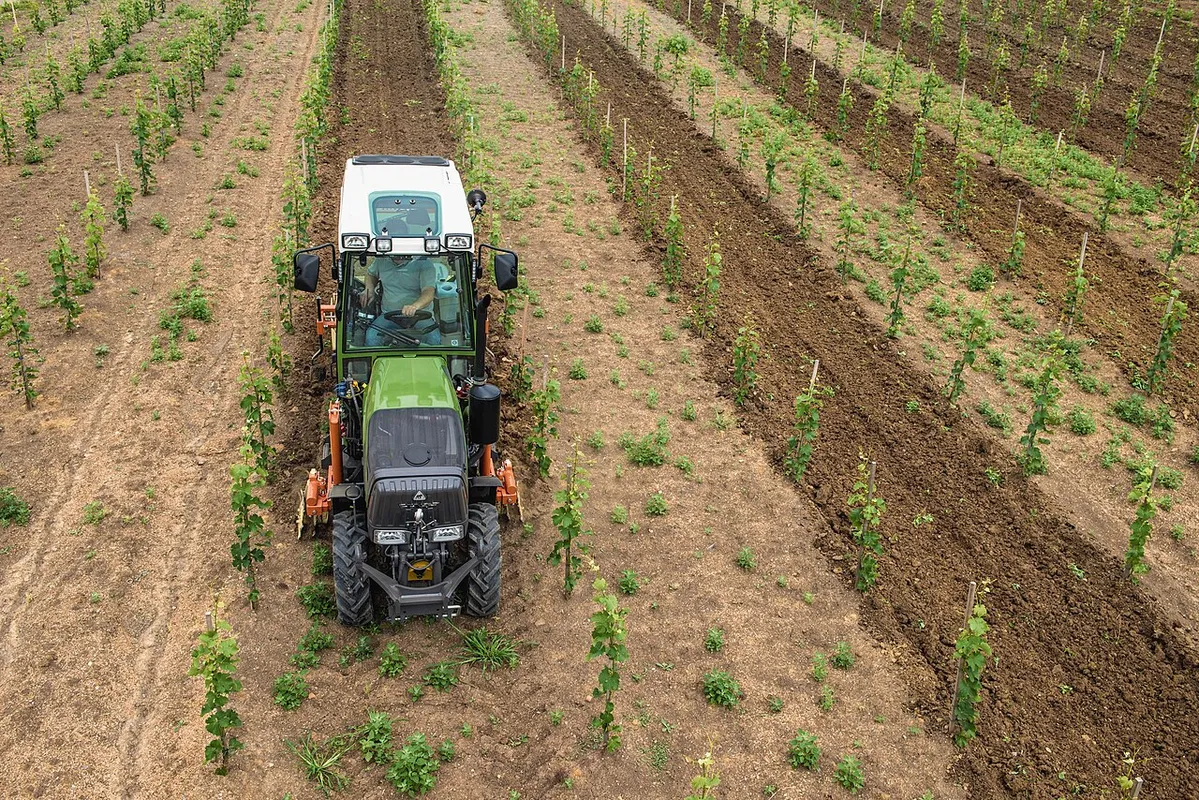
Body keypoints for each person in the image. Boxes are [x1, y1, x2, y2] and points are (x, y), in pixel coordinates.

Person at [361, 255, 441, 346]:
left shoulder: (424, 263)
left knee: (434, 339)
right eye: (394, 255)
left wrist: (415, 306)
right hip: (389, 314)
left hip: (420, 315)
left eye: (402, 255)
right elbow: (371, 274)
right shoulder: (381, 260)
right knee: (371, 337)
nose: (398, 257)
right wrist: (370, 289)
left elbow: (428, 292)